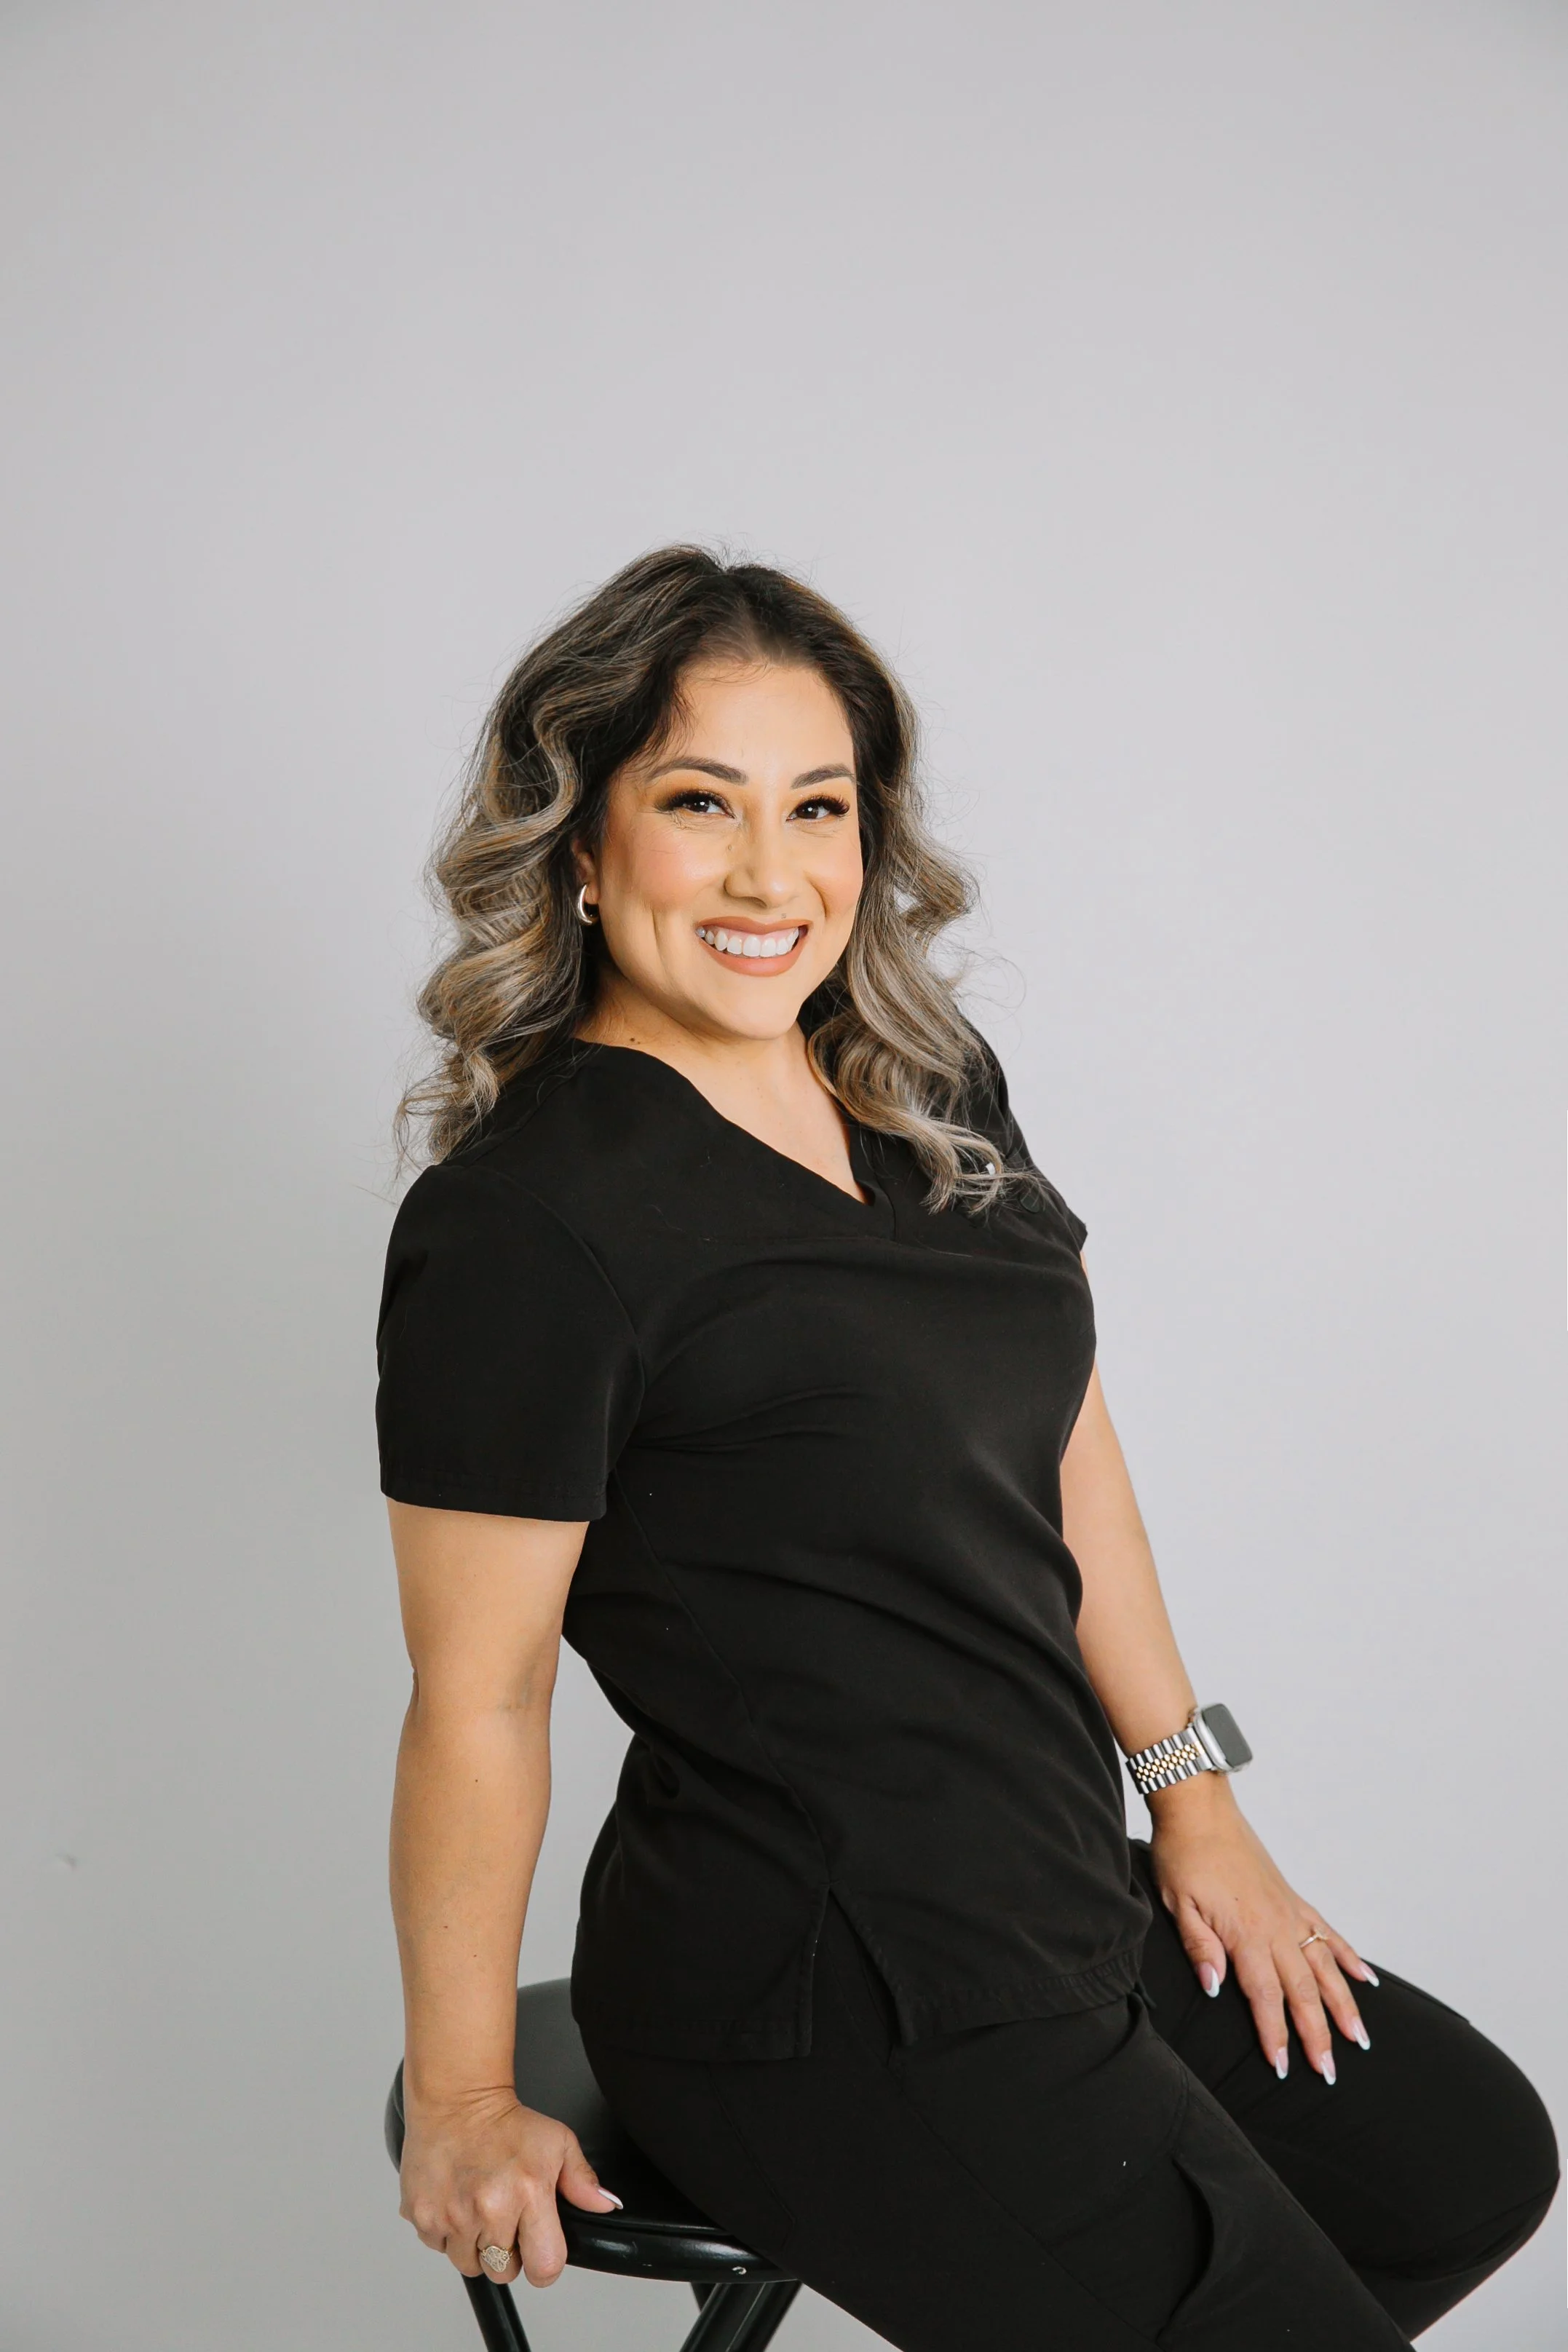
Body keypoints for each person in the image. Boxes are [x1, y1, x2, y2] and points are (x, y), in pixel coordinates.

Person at [376, 547, 1556, 2349]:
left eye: (820, 806)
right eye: (702, 805)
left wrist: (1198, 1800)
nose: (776, 874)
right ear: (583, 845)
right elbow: (483, 1695)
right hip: (824, 1985)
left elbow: (1070, 1442)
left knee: (1457, 2162)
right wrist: (458, 2095)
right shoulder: (530, 1226)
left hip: (1058, 1888)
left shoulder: (921, 1078)